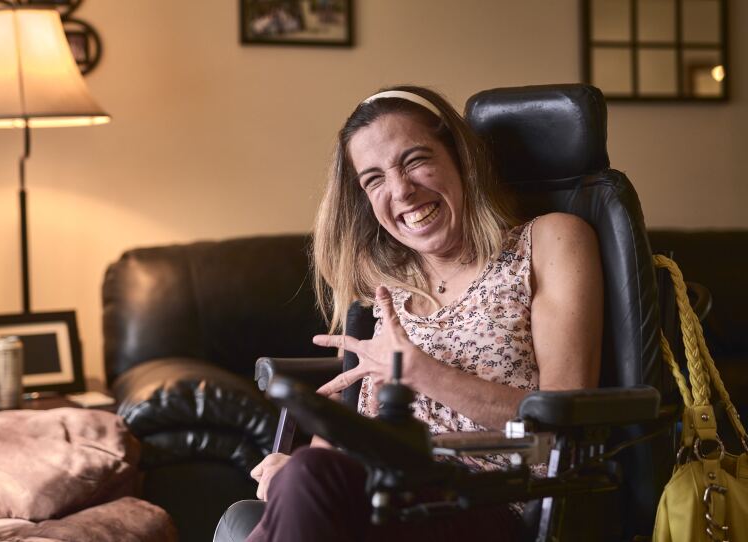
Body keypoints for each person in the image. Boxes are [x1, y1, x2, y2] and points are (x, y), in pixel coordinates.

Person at [244, 85, 604, 542]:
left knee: (308, 483)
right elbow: (346, 432)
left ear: (460, 158)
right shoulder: (387, 280)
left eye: (415, 160)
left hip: (485, 498)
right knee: (302, 477)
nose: (401, 191)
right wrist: (294, 467)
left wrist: (422, 372)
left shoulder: (548, 241)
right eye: (374, 179)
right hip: (377, 490)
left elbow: (565, 419)